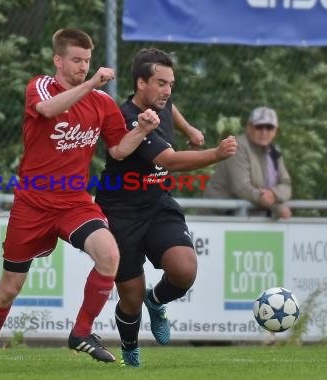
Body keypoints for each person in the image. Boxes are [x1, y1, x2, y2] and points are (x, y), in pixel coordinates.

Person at [0, 29, 159, 370]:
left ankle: (82, 332)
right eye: (76, 60)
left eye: (86, 61)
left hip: (74, 202)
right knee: (9, 289)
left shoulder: (101, 103)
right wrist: (90, 85)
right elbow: (45, 109)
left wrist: (142, 130)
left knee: (109, 254)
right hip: (33, 204)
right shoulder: (41, 86)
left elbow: (117, 149)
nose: (82, 67)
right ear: (58, 60)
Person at [94, 48, 237, 367]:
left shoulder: (162, 101)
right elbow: (168, 161)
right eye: (161, 83)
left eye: (171, 83)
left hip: (158, 203)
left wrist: (188, 130)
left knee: (184, 269)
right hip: (121, 211)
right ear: (140, 84)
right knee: (130, 296)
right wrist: (215, 154)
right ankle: (130, 351)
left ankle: (156, 302)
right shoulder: (127, 117)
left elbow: (172, 109)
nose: (168, 90)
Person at [204, 106, 292, 218]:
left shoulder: (274, 152)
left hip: (252, 220)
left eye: (269, 127)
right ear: (249, 127)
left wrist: (274, 194)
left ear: (276, 131)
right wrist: (276, 206)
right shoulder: (237, 147)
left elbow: (286, 184)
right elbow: (241, 188)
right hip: (221, 219)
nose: (264, 132)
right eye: (259, 126)